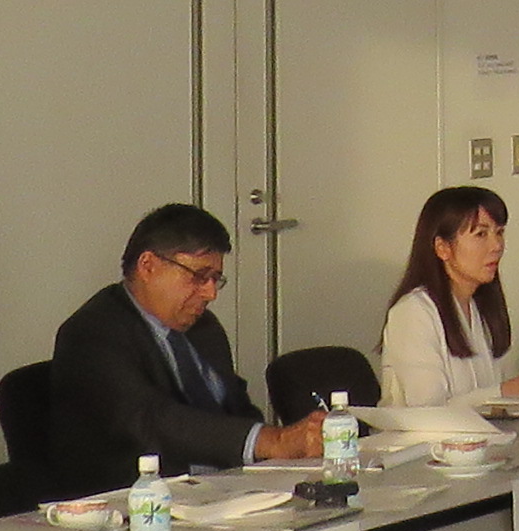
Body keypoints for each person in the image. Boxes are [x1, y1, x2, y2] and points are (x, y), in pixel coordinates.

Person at [48, 204, 323, 491]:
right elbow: (151, 420)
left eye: (216, 279)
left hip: (226, 491)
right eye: (199, 276)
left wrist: (286, 449)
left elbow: (238, 410)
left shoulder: (204, 328)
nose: (210, 293)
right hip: (139, 500)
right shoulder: (92, 332)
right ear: (148, 266)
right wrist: (272, 441)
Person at [376, 184, 519, 411]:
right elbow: (428, 411)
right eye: (481, 234)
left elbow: (487, 400)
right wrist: (510, 390)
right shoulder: (413, 312)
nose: (497, 246)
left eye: (499, 232)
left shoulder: (477, 305)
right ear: (442, 248)